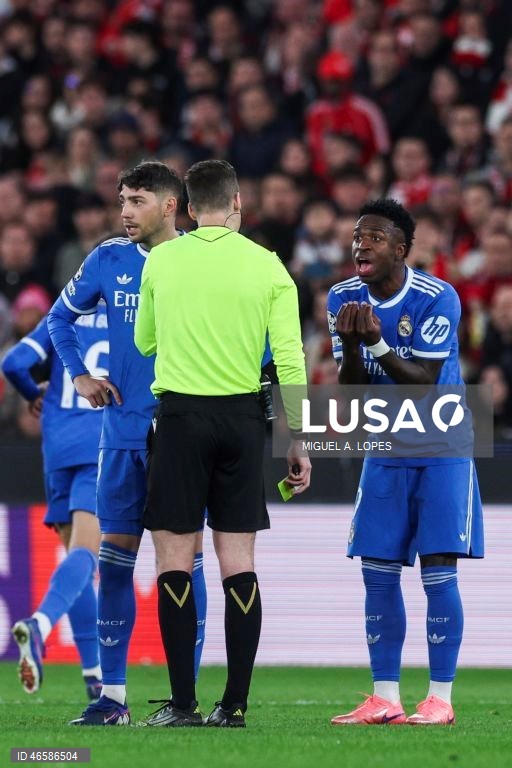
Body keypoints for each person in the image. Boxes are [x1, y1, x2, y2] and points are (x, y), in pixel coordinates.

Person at [134, 159, 311, 728]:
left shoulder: (162, 258)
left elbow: (145, 342)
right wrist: (299, 436)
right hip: (242, 421)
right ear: (238, 203)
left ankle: (183, 703)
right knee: (239, 563)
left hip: (181, 419)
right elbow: (289, 356)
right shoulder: (269, 267)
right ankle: (233, 706)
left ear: (186, 208)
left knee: (173, 562)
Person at [46, 161, 207, 726]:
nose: (124, 212)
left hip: (182, 436)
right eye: (121, 201)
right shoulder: (107, 259)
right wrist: (79, 376)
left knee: (183, 568)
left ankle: (185, 695)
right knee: (115, 566)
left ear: (169, 205)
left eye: (136, 201)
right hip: (119, 437)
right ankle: (111, 699)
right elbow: (57, 320)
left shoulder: (203, 258)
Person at [326, 199, 484, 726]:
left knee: (438, 571)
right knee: (377, 571)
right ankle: (384, 697)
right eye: (356, 235)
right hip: (385, 449)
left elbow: (423, 383)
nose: (360, 244)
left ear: (400, 248)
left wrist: (375, 339)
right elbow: (351, 393)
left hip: (442, 446)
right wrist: (351, 348)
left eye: (373, 236)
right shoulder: (342, 297)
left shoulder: (438, 297)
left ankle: (439, 698)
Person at [2, 306, 108, 701]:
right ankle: (41, 624)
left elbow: (13, 363)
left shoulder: (62, 318)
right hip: (99, 441)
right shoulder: (131, 316)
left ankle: (94, 677)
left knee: (77, 563)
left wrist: (35, 395)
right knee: (87, 555)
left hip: (57, 446)